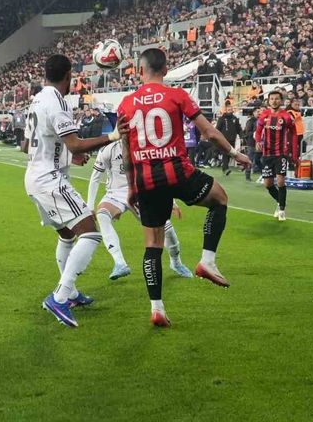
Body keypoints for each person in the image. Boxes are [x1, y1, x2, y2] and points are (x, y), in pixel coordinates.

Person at [117, 48, 250, 327]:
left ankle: (157, 309)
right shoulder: (177, 95)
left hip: (146, 180)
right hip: (178, 172)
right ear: (165, 70)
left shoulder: (125, 105)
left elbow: (127, 150)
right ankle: (207, 261)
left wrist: (131, 187)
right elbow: (209, 133)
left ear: (139, 71)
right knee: (220, 199)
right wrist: (235, 155)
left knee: (152, 244)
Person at [23, 54, 122, 328]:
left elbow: (27, 145)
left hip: (34, 177)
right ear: (68, 76)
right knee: (90, 232)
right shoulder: (57, 102)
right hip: (50, 180)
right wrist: (113, 136)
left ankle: (72, 294)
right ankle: (60, 296)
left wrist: (68, 155)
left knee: (67, 235)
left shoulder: (38, 99)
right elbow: (76, 144)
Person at [86, 141, 192, 280]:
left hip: (141, 193)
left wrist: (171, 201)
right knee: (102, 215)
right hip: (115, 193)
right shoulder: (108, 150)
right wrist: (90, 206)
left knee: (166, 228)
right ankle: (120, 263)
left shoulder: (144, 148)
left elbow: (159, 175)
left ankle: (176, 262)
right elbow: (95, 178)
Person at [255, 90, 299, 220]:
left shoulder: (286, 116)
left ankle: (282, 210)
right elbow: (258, 131)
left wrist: (294, 154)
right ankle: (279, 201)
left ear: (281, 101)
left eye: (277, 99)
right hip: (267, 153)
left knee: (280, 180)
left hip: (281, 153)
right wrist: (258, 141)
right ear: (268, 101)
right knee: (268, 184)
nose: (274, 101)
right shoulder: (264, 115)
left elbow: (294, 133)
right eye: (272, 99)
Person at [215, 103, 243, 176]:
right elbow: (217, 129)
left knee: (230, 154)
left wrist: (242, 136)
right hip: (224, 139)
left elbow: (239, 129)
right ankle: (225, 168)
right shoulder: (222, 119)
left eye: (231, 109)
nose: (230, 111)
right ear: (226, 110)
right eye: (228, 110)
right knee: (225, 153)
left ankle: (224, 165)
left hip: (232, 139)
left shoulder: (235, 119)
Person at [243, 108, 261, 181]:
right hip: (252, 143)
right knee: (250, 160)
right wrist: (255, 133)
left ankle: (263, 174)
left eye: (260, 111)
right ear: (253, 112)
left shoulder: (262, 121)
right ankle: (247, 175)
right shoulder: (250, 121)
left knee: (259, 160)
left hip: (260, 144)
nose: (259, 113)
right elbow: (247, 133)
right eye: (258, 111)